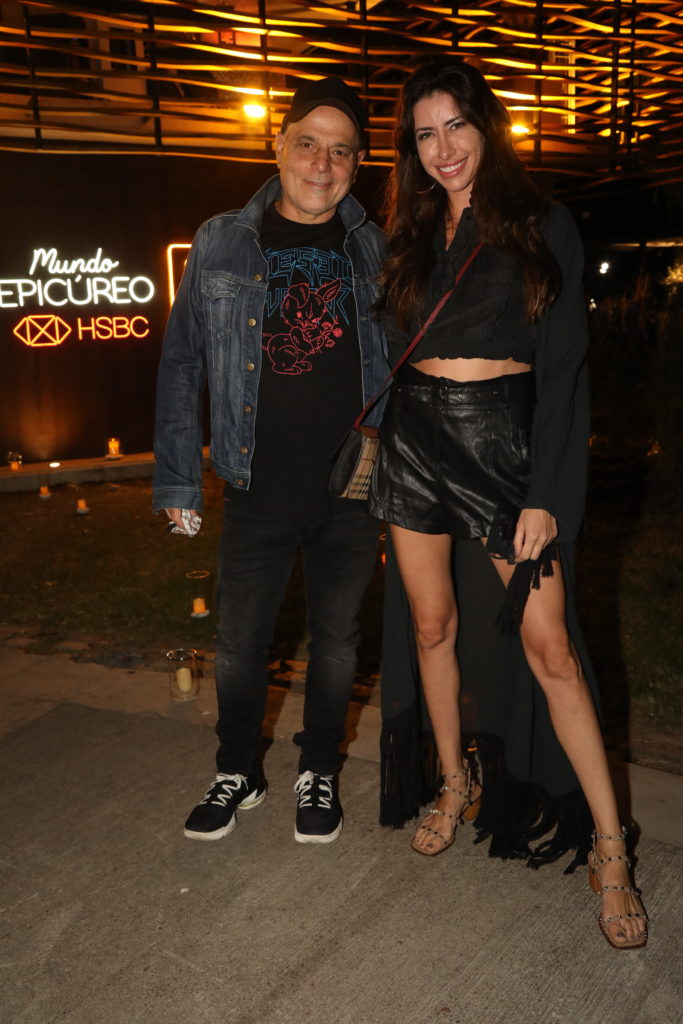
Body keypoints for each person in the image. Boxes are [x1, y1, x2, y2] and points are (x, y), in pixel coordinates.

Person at [368, 57, 648, 950]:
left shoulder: (539, 224)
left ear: (485, 126)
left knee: (549, 649)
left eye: (455, 125)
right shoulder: (409, 231)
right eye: (424, 133)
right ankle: (455, 782)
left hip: (500, 445)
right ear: (410, 149)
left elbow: (563, 371)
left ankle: (610, 846)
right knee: (431, 628)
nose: (442, 148)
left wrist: (547, 495)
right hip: (414, 439)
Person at [153, 77, 388, 846]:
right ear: (278, 145)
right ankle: (238, 770)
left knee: (338, 643)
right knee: (238, 643)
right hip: (254, 484)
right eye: (308, 143)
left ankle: (318, 767)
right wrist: (178, 477)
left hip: (350, 488)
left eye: (341, 151)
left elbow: (402, 367)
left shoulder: (376, 247)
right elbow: (183, 361)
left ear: (357, 164)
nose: (322, 163)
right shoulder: (221, 239)